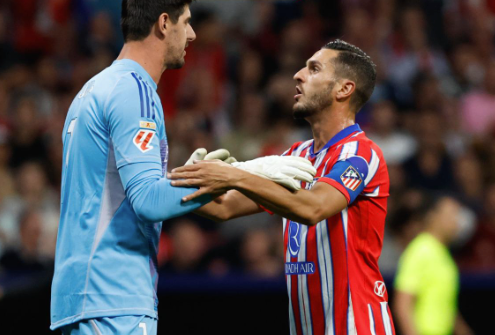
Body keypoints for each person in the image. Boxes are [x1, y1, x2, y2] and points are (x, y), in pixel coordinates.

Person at [50, 1, 311, 334]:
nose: (192, 34)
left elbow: (121, 194)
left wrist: (190, 175)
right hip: (114, 299)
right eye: (185, 23)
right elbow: (147, 201)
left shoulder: (92, 91)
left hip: (81, 300)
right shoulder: (135, 91)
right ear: (163, 23)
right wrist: (248, 173)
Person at [171, 39, 395, 335]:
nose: (298, 75)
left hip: (357, 326)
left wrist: (235, 175)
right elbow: (223, 207)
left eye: (314, 69)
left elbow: (313, 207)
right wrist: (190, 178)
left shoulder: (361, 154)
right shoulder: (297, 156)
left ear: (344, 89)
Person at [393, 196, 474, 335]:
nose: (457, 221)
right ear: (432, 217)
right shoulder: (420, 249)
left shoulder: (443, 253)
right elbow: (402, 306)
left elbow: (446, 307)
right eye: (451, 214)